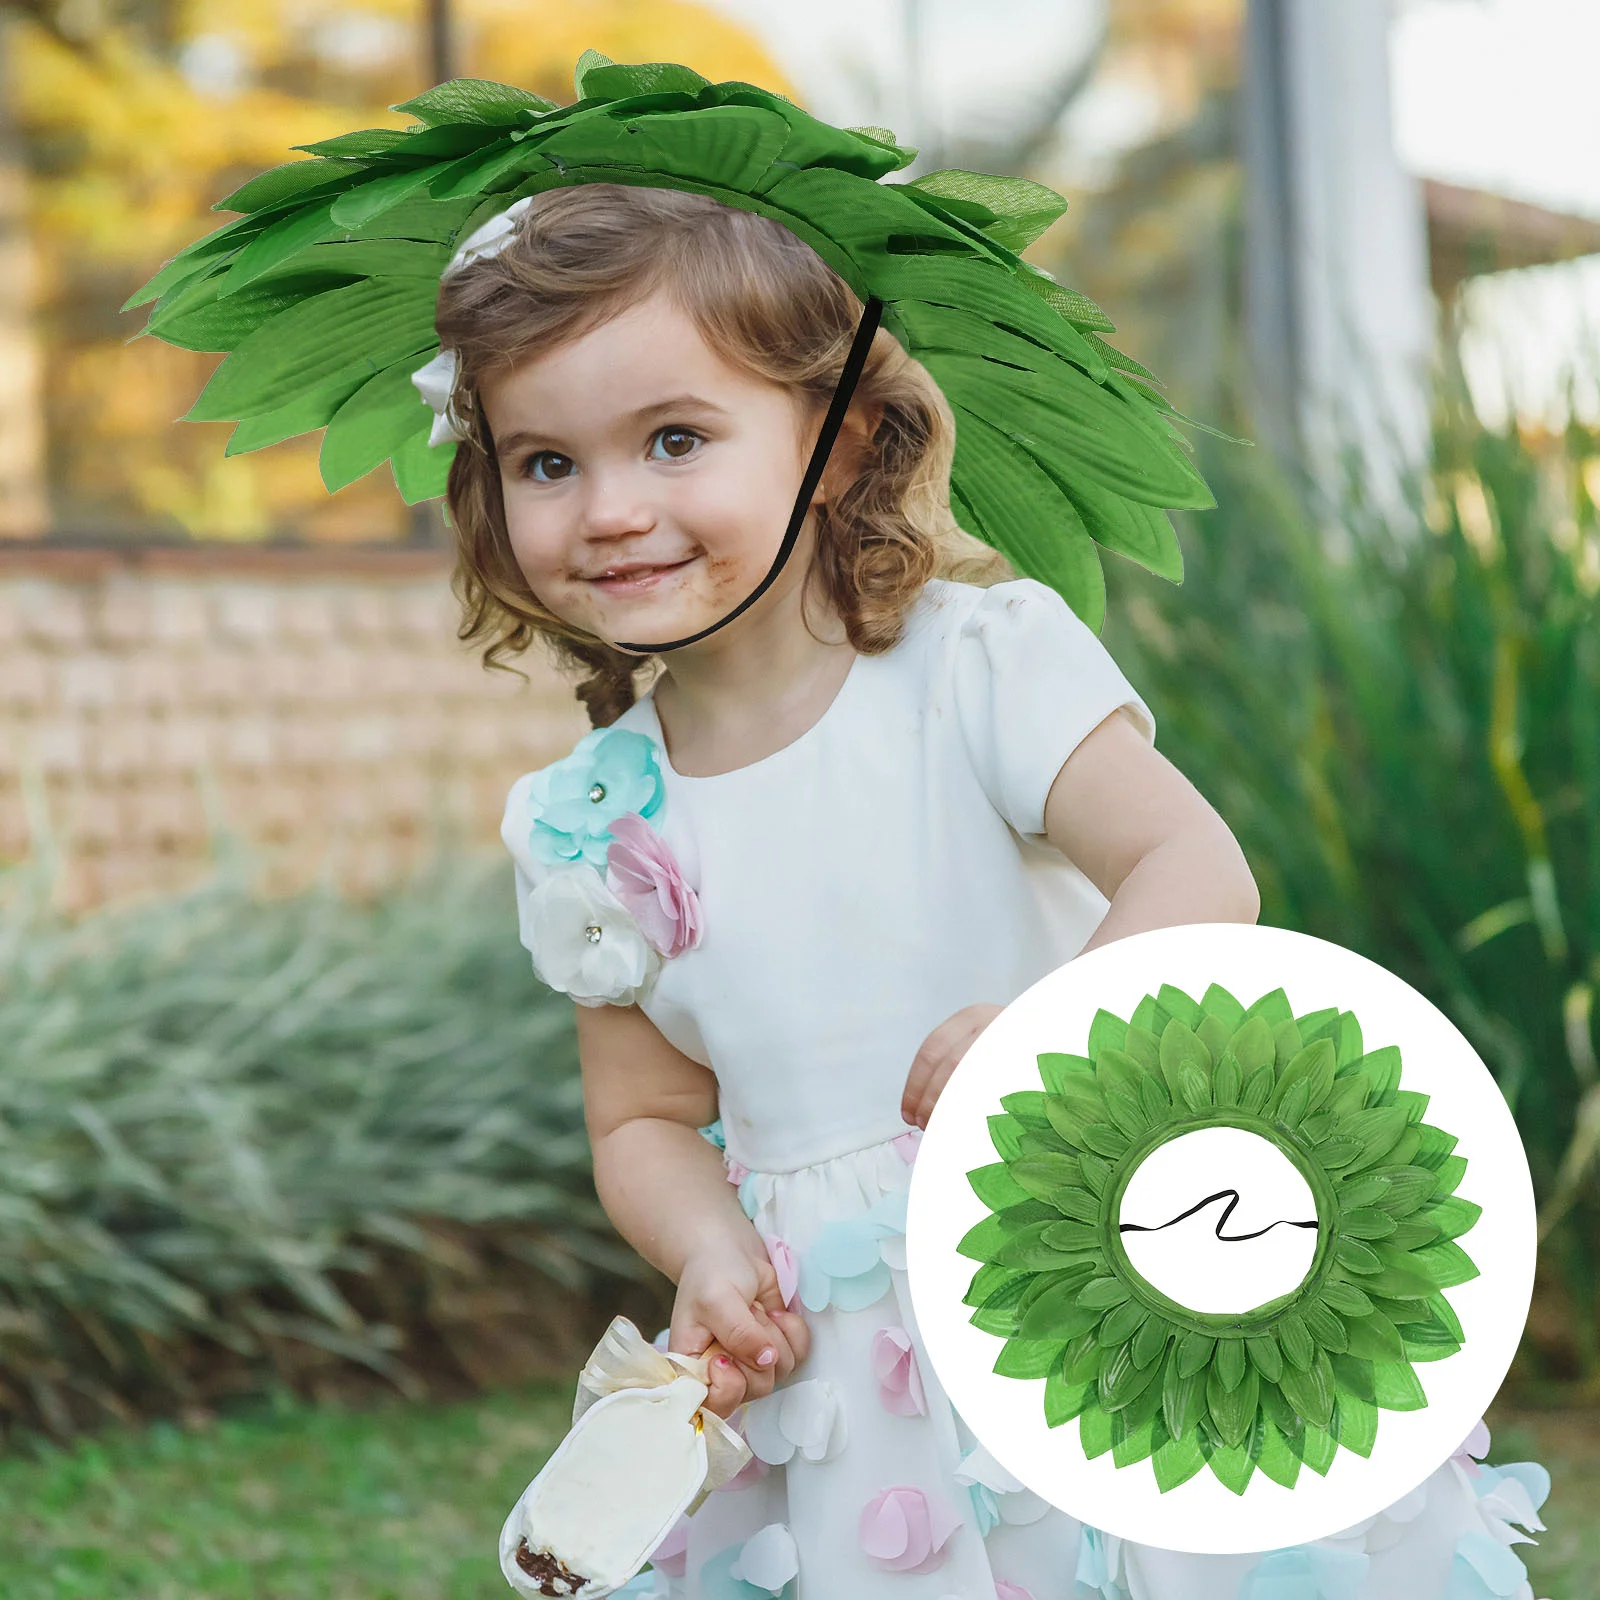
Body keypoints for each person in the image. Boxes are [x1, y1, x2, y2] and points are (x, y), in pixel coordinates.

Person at [133, 55, 1551, 1600]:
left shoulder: (976, 666)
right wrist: (704, 1247)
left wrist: (1044, 1030)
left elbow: (1196, 868)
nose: (607, 506)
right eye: (547, 461)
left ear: (848, 444)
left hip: (1082, 1250)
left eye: (675, 438)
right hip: (843, 1361)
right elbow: (643, 1117)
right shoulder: (590, 821)